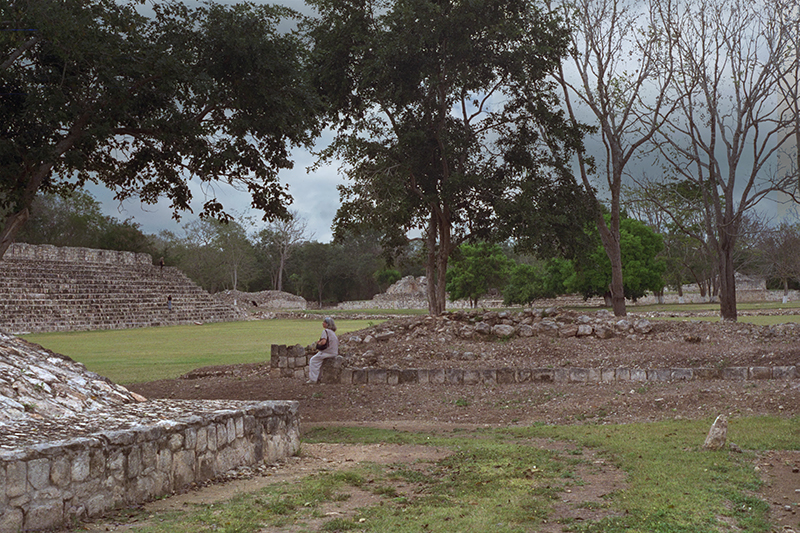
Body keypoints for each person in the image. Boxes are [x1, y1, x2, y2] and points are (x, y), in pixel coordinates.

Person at [306, 316, 339, 384]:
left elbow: (323, 342)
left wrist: (318, 343)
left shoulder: (325, 331)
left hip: (328, 352)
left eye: (324, 322)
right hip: (334, 352)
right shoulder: (332, 332)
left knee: (313, 360)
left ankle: (313, 379)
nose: (323, 323)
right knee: (319, 361)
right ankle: (318, 377)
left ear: (327, 324)